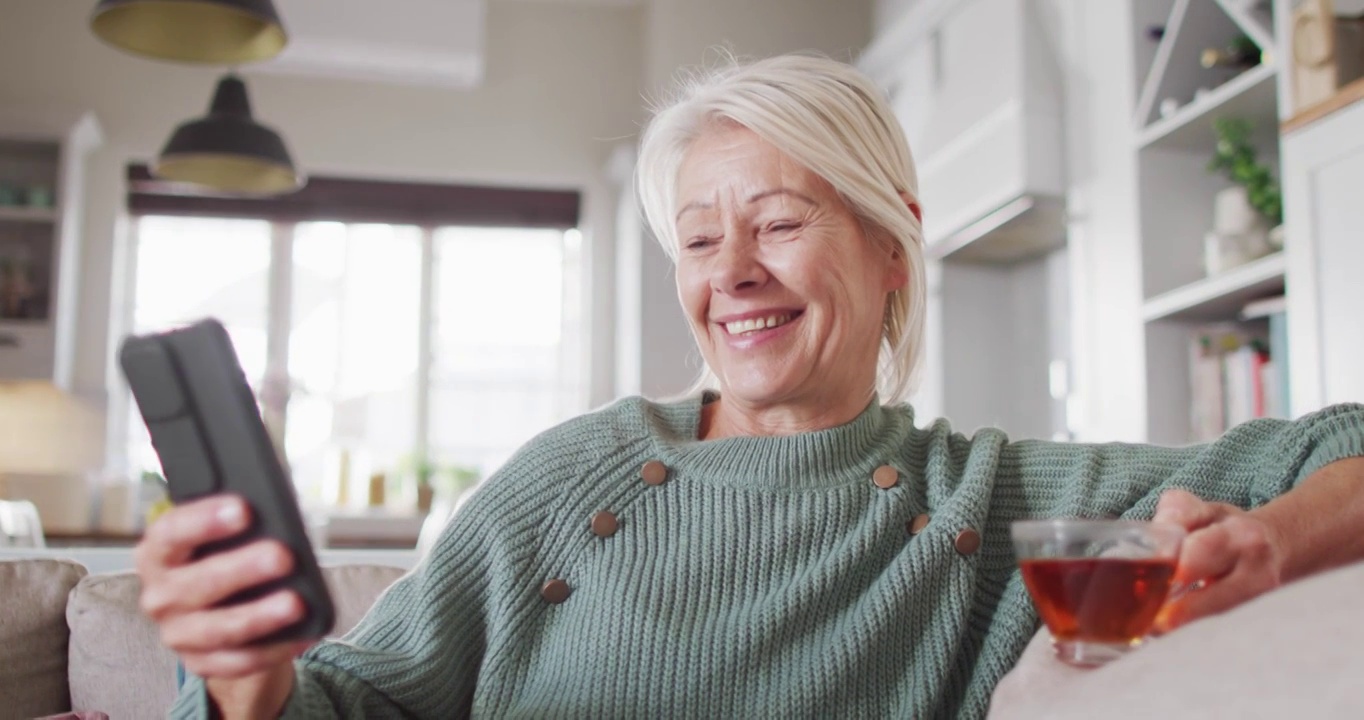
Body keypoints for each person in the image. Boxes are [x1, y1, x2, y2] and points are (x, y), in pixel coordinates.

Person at [140, 54, 1364, 719]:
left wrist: (1262, 538)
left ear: (891, 249)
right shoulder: (578, 478)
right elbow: (357, 707)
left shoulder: (992, 502)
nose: (729, 274)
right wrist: (248, 688)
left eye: (777, 223)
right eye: (695, 240)